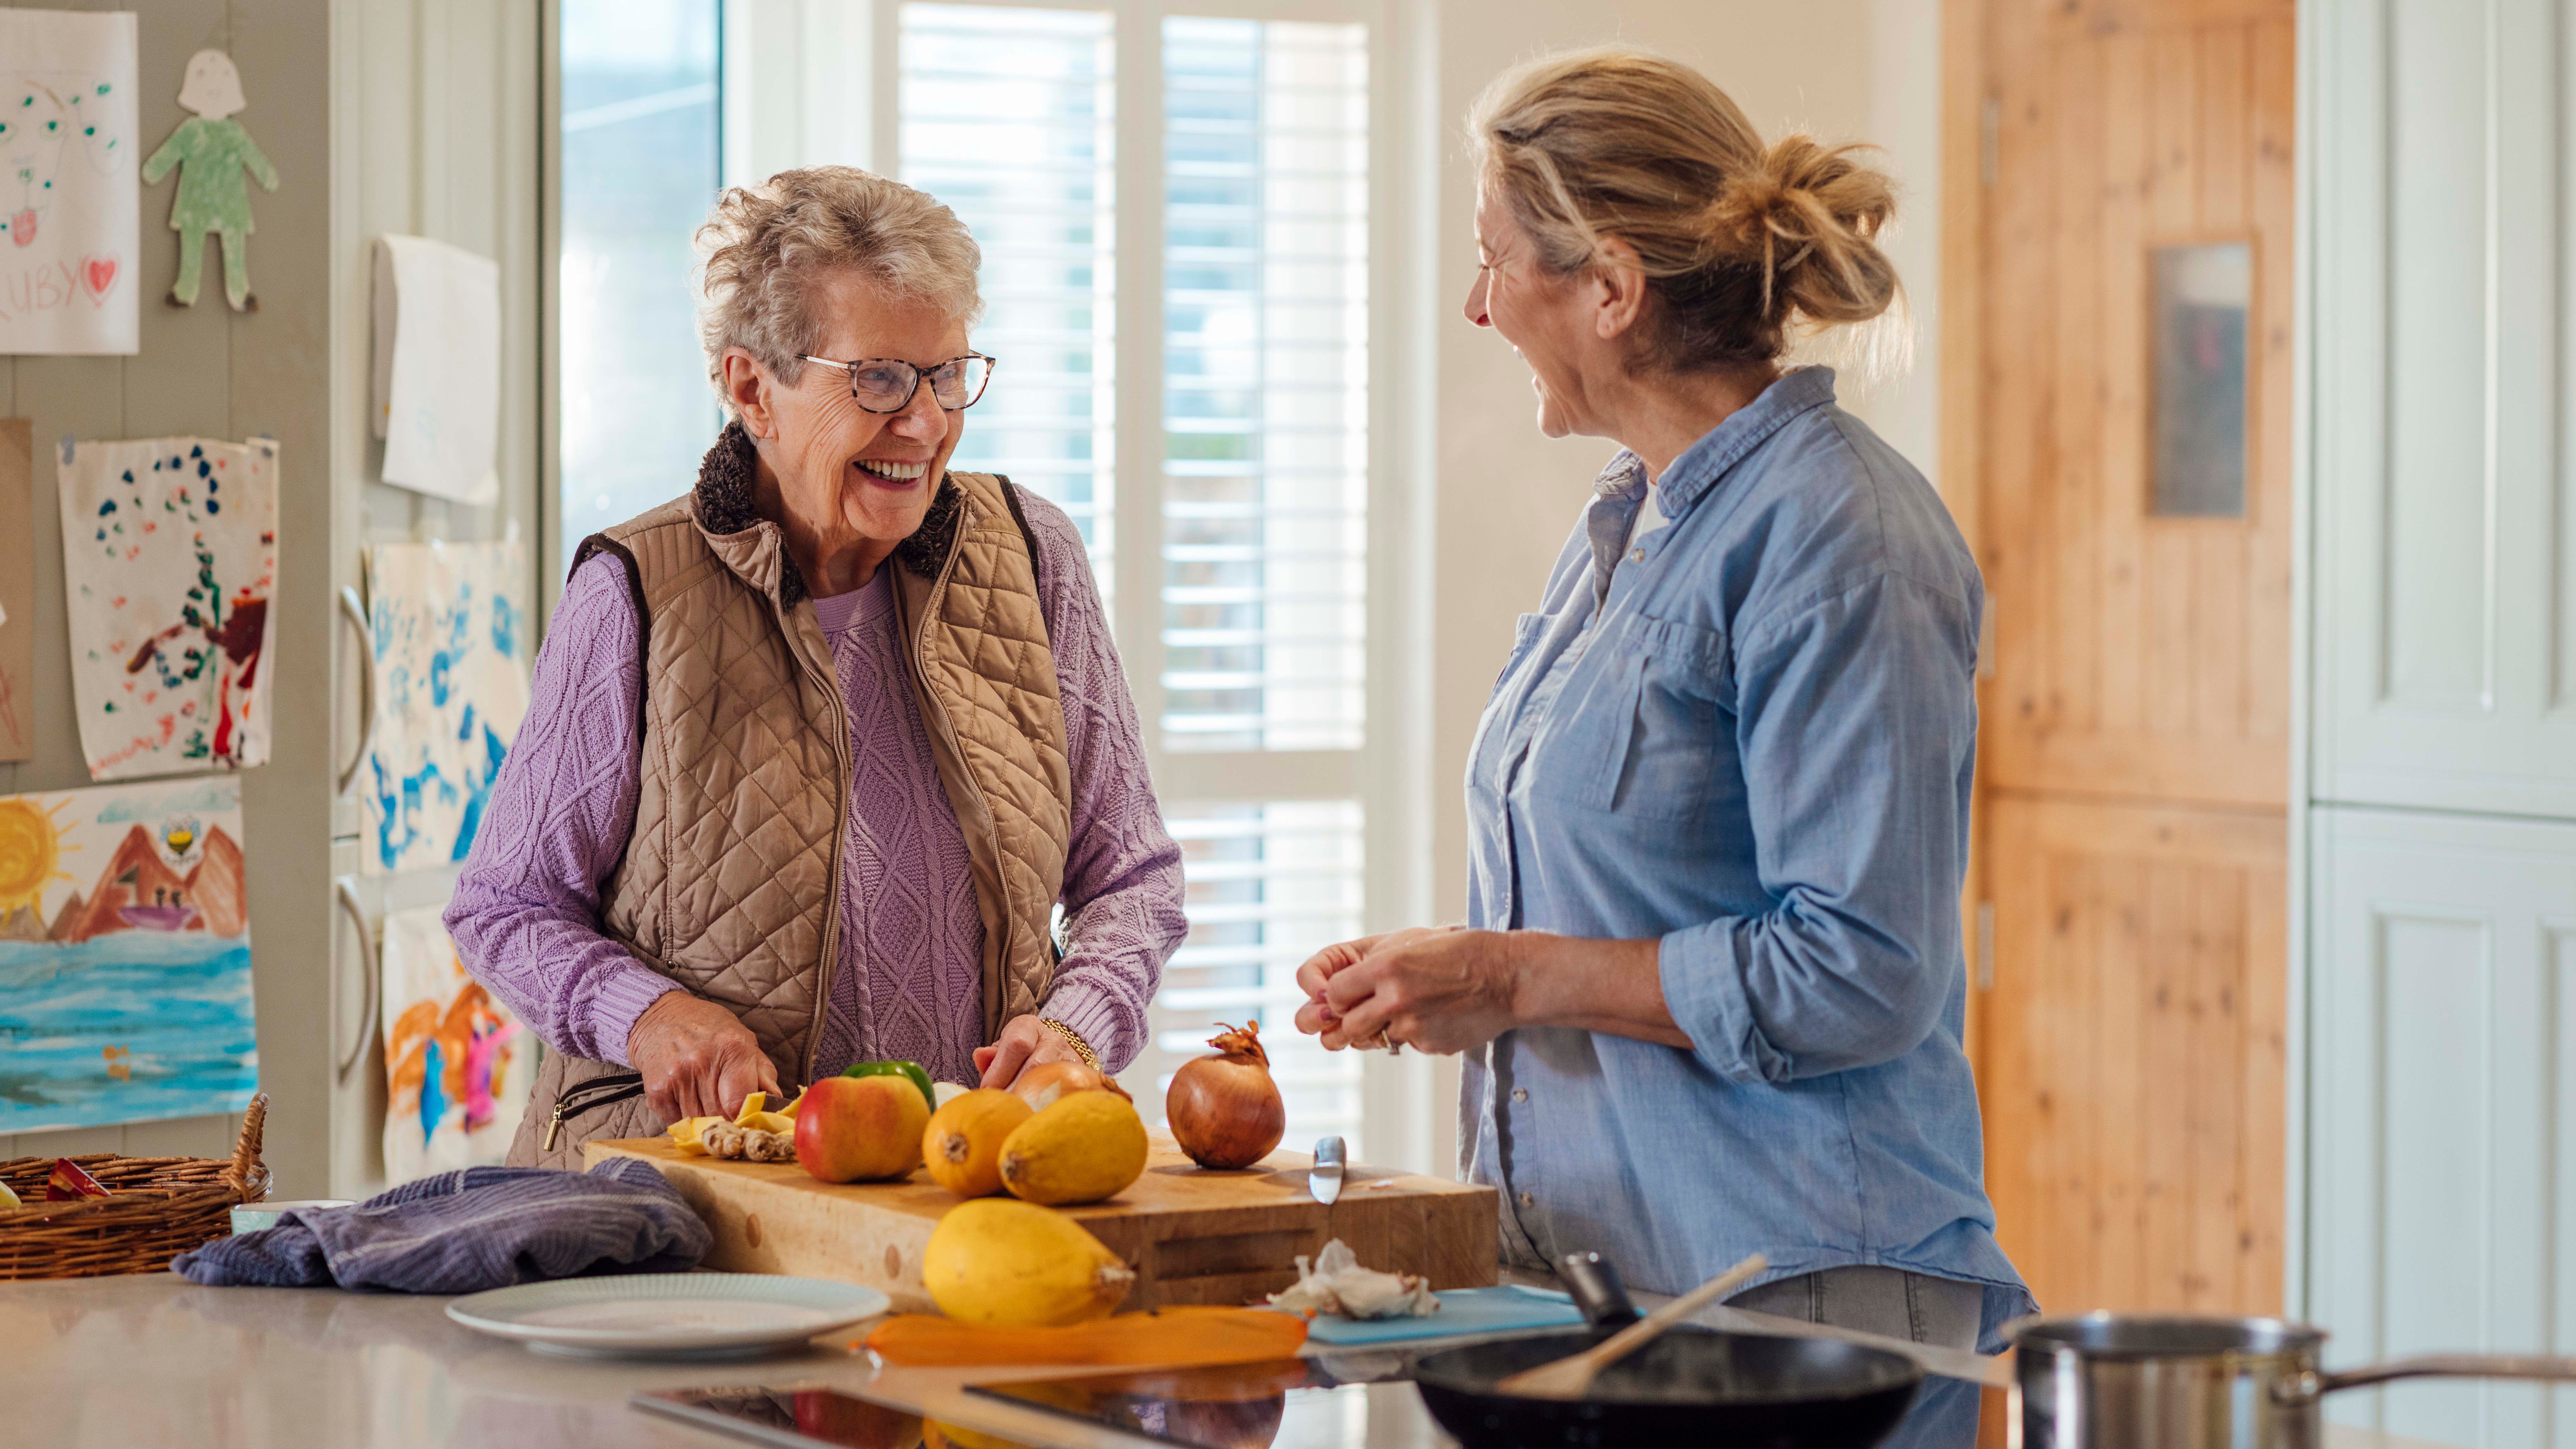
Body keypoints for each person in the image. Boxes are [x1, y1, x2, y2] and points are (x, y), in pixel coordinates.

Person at [1294, 49, 2030, 1444]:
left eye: (1491, 260)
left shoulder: (1840, 539)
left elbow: (1858, 971)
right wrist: (1473, 988)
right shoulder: (1627, 529)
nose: (1473, 305)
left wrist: (1509, 976)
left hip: (1803, 1318)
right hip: (1619, 1300)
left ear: (1611, 289)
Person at [449, 167, 1186, 1168]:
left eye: (948, 376)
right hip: (687, 1194)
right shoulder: (636, 590)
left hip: (962, 1181)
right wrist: (650, 1013)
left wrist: (1077, 1025)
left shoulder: (1032, 552)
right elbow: (506, 906)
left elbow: (1132, 878)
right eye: (878, 380)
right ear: (754, 387)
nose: (923, 424)